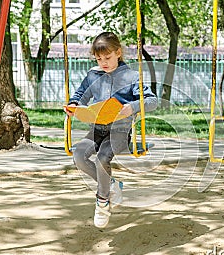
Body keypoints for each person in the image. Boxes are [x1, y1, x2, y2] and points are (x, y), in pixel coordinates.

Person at [64, 32, 157, 228]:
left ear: (118, 53)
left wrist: (132, 107)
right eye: (99, 59)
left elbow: (151, 101)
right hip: (97, 127)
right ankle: (112, 184)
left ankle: (102, 202)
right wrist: (74, 106)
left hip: (120, 131)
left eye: (107, 57)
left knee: (102, 159)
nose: (103, 62)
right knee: (79, 156)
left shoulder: (132, 76)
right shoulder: (93, 75)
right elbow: (80, 95)